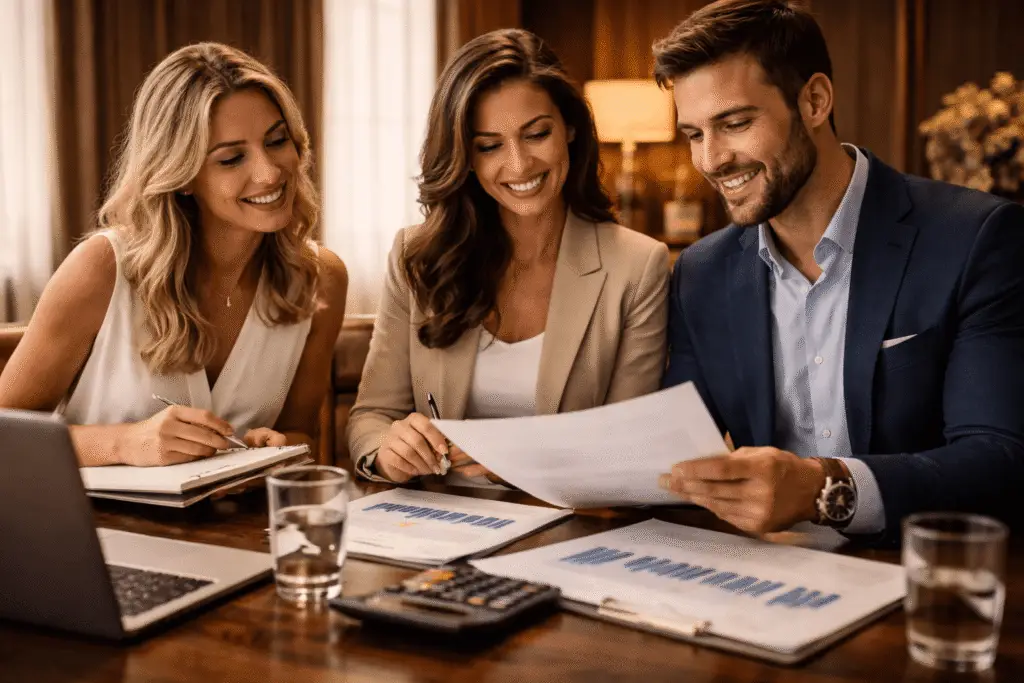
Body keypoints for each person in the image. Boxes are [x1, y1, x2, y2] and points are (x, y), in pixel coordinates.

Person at [654, 0, 1024, 544]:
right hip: (765, 575)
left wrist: (820, 488)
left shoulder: (978, 238)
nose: (711, 160)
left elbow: (1000, 459)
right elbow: (674, 449)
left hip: (911, 573)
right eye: (694, 134)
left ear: (815, 101)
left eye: (735, 123)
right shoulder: (700, 273)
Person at [0, 42, 348, 467]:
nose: (269, 172)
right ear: (182, 175)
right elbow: (5, 434)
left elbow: (301, 431)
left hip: (234, 531)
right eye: (231, 158)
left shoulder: (321, 279)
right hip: (97, 529)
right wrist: (122, 444)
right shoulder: (102, 268)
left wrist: (278, 444)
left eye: (277, 141)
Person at [347, 28, 669, 485]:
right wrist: (386, 451)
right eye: (489, 146)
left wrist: (523, 462)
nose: (518, 165)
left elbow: (629, 446)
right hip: (437, 526)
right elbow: (373, 416)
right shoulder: (415, 255)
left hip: (569, 526)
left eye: (536, 134)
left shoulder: (638, 266)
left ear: (570, 129)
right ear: (465, 156)